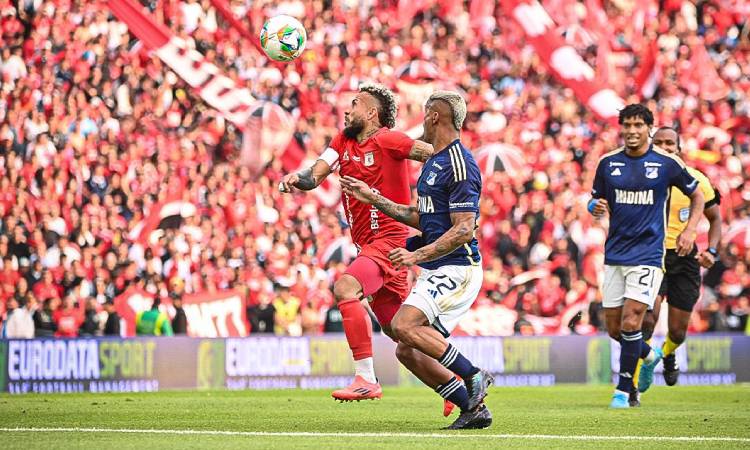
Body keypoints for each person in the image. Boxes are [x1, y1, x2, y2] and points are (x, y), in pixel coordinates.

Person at [341, 91, 492, 429]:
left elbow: (464, 229)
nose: (420, 122)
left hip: (459, 267)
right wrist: (373, 198)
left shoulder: (458, 162)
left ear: (434, 116)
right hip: (439, 268)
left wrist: (415, 255)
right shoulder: (434, 162)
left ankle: (474, 373)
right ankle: (472, 408)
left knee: (404, 326)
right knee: (407, 348)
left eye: (424, 115)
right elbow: (420, 216)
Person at [279, 83, 436, 401]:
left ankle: (365, 378)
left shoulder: (389, 139)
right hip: (368, 245)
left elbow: (430, 153)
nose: (347, 110)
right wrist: (298, 178)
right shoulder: (342, 140)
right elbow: (315, 175)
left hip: (389, 240)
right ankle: (460, 381)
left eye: (355, 104)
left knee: (345, 288)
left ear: (371, 113)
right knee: (400, 331)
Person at [588, 104, 705, 408]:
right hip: (615, 254)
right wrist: (595, 208)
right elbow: (595, 199)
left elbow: (697, 195)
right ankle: (649, 355)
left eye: (638, 125)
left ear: (649, 129)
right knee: (614, 328)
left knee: (631, 322)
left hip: (649, 255)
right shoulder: (608, 163)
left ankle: (623, 391)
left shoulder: (666, 163)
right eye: (626, 125)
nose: (631, 130)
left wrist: (691, 230)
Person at [639, 127, 722, 389]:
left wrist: (711, 251)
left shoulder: (698, 180)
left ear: (679, 148)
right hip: (652, 255)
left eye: (669, 143)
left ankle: (668, 353)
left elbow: (716, 219)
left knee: (677, 331)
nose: (664, 147)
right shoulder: (641, 179)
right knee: (648, 318)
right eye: (658, 143)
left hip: (684, 257)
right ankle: (633, 385)